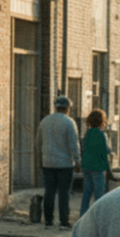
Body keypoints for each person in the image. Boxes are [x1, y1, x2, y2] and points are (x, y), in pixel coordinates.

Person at [35, 95, 80, 229]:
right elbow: (73, 144)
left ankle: (48, 220)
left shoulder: (45, 121)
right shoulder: (69, 122)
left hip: (48, 162)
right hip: (64, 164)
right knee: (63, 193)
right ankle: (63, 221)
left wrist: (41, 157)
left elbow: (38, 143)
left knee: (49, 192)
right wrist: (77, 161)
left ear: (56, 107)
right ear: (67, 108)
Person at [79, 109, 112, 217]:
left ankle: (82, 216)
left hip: (86, 166)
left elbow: (84, 149)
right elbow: (105, 151)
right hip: (97, 167)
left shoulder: (87, 134)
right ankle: (99, 217)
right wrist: (108, 168)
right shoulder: (101, 134)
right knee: (99, 195)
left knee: (86, 194)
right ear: (102, 121)